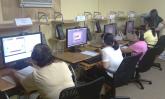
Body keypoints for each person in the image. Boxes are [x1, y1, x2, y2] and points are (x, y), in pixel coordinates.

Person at [0, 44, 75, 99]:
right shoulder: (63, 64)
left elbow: (23, 84)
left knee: (28, 95)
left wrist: (13, 72)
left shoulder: (36, 75)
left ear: (35, 61)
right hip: (72, 97)